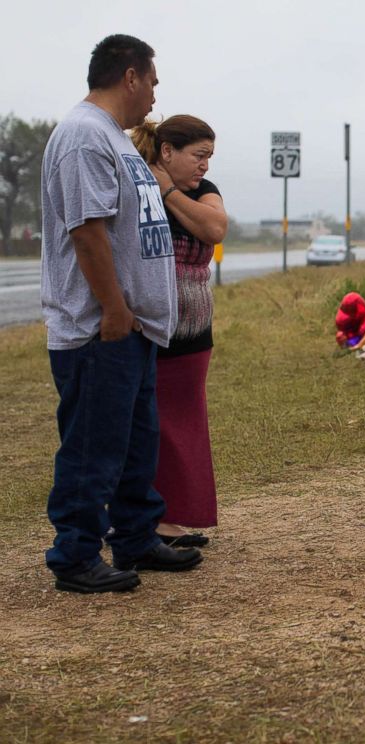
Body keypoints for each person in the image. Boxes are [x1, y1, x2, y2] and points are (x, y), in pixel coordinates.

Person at [41, 34, 203, 594]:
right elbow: (86, 231)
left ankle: (134, 536)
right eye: (152, 83)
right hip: (100, 328)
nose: (155, 99)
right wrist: (113, 308)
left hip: (132, 328)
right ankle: (75, 554)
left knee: (135, 442)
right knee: (92, 446)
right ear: (129, 76)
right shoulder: (84, 137)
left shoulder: (111, 138)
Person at [131, 116, 227, 547]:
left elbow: (214, 228)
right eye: (198, 155)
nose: (205, 166)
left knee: (185, 421)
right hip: (152, 321)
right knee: (154, 422)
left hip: (194, 327)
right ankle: (154, 517)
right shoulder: (137, 186)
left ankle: (178, 512)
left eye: (209, 157)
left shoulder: (203, 192)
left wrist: (168, 190)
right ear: (167, 151)